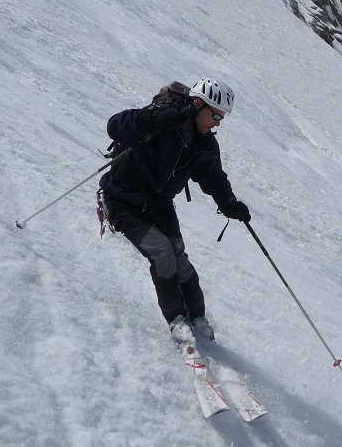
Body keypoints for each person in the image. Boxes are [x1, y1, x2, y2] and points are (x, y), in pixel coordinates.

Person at [99, 78, 251, 342]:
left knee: (178, 256)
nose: (217, 123)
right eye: (215, 115)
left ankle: (198, 317)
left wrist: (229, 204)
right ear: (196, 105)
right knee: (162, 253)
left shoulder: (204, 143)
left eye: (221, 118)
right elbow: (115, 126)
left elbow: (213, 176)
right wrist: (152, 119)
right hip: (122, 200)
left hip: (158, 203)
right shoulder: (162, 119)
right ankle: (177, 320)